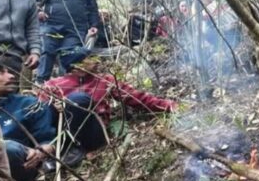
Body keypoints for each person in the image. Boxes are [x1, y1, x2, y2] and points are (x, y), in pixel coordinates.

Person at [39, 49, 177, 161]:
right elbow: (41, 116)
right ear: (76, 67)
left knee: (80, 99)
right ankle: (60, 151)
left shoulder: (104, 80)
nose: (96, 61)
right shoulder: (52, 86)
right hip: (62, 136)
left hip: (93, 132)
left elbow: (133, 96)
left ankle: (78, 149)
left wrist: (166, 106)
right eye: (90, 59)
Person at [35, 0, 100, 82]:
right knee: (47, 51)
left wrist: (94, 26)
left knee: (71, 55)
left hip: (76, 29)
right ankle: (41, 82)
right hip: (51, 26)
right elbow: (35, 2)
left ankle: (64, 84)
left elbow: (93, 11)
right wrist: (38, 12)